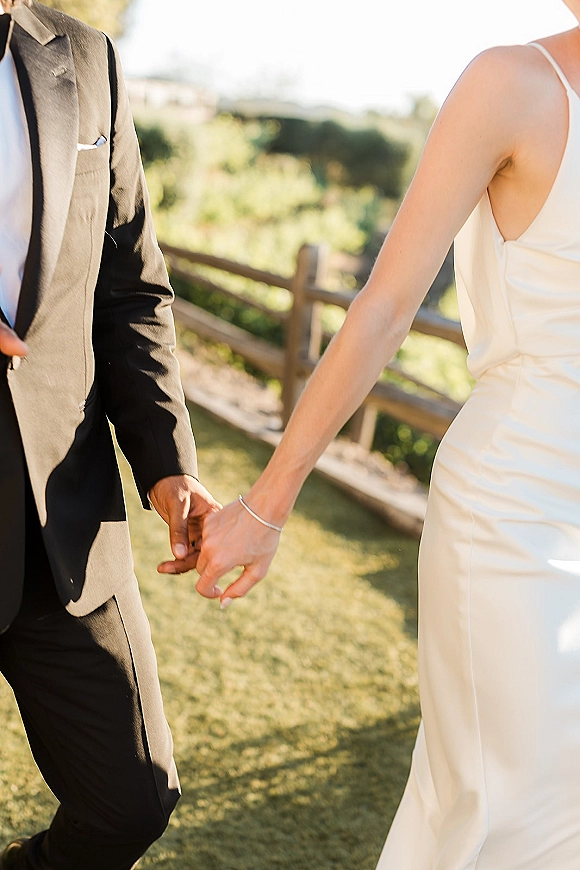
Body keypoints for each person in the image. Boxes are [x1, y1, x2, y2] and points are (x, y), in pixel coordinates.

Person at [195, 2, 580, 866]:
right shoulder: (515, 84)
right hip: (516, 517)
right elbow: (386, 306)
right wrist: (268, 501)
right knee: (517, 807)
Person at [0, 1, 221, 868]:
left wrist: (168, 468)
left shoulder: (88, 60)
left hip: (65, 520)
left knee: (130, 800)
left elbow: (131, 290)